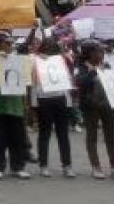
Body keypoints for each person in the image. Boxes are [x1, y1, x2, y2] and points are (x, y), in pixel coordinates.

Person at [78, 40, 114, 180]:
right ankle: (96, 167)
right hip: (90, 107)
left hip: (108, 105)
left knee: (111, 136)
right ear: (89, 53)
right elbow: (80, 83)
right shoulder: (82, 67)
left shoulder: (106, 66)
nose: (102, 54)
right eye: (98, 51)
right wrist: (92, 72)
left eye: (102, 51)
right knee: (92, 136)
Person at [0, 32, 30, 179]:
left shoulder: (18, 60)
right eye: (7, 43)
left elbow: (25, 80)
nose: (11, 46)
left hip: (15, 104)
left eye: (11, 43)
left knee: (17, 137)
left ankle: (18, 166)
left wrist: (25, 102)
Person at [31, 38, 74, 178]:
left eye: (53, 48)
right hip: (43, 99)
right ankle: (43, 165)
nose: (50, 50)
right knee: (45, 133)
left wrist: (68, 101)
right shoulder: (34, 59)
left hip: (61, 97)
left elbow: (68, 77)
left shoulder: (61, 60)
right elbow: (31, 80)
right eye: (47, 48)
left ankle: (67, 165)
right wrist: (33, 103)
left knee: (63, 134)